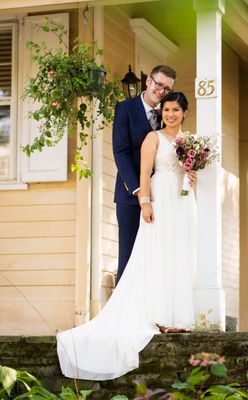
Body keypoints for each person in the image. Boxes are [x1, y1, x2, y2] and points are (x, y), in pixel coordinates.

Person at [57, 91, 197, 381]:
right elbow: (144, 174)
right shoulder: (153, 138)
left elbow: (191, 172)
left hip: (183, 201)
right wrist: (145, 202)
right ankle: (156, 313)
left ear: (184, 112)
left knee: (179, 254)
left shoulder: (191, 142)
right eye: (166, 109)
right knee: (155, 253)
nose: (170, 114)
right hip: (160, 200)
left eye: (175, 110)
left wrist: (193, 177)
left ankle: (177, 317)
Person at [113, 65, 176, 283]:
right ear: (149, 81)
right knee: (128, 256)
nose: (161, 91)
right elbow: (120, 151)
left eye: (167, 89)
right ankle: (121, 313)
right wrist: (139, 191)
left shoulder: (166, 115)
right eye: (159, 85)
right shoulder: (125, 108)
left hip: (160, 197)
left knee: (154, 256)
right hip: (129, 195)